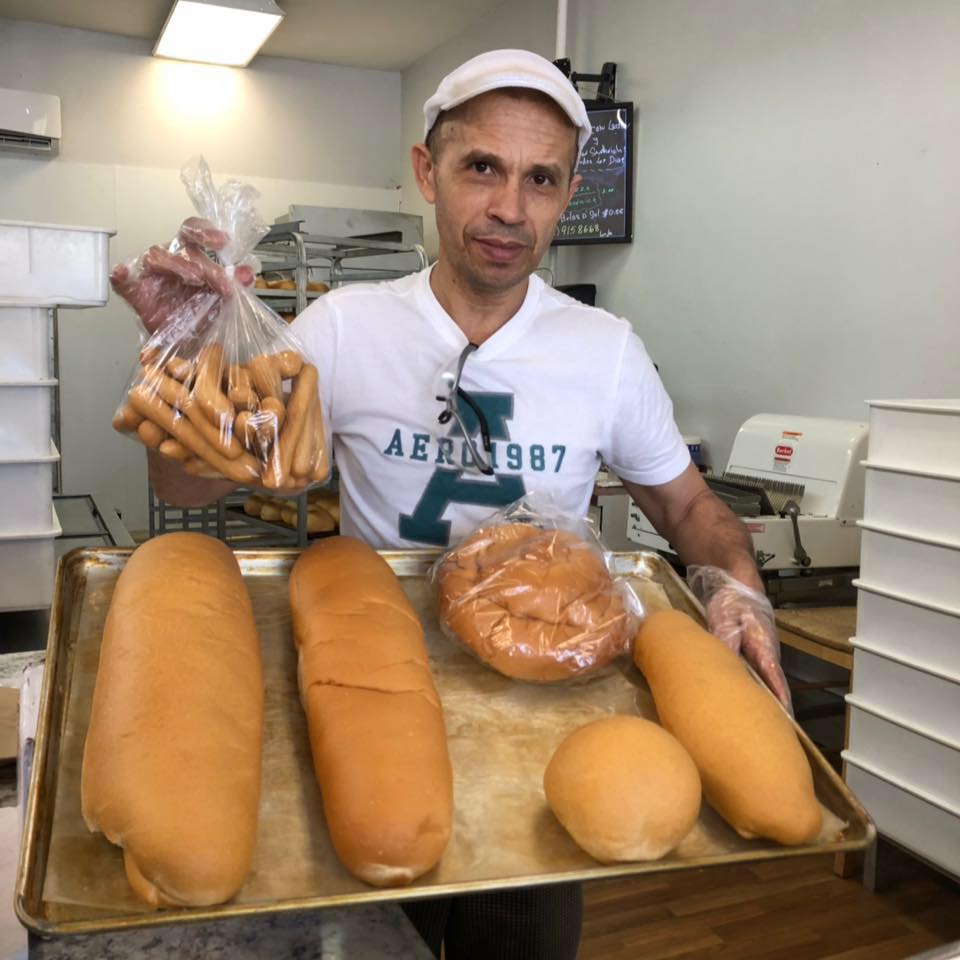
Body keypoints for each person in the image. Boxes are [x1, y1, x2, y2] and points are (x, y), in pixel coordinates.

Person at [112, 48, 791, 960]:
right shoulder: (344, 328)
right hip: (369, 693)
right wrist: (184, 357)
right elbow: (183, 486)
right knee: (376, 927)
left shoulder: (606, 350)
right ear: (428, 171)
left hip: (547, 720)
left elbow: (687, 505)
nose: (510, 207)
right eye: (483, 168)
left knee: (526, 940)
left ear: (565, 194)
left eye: (540, 180)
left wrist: (736, 587)